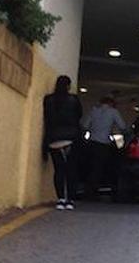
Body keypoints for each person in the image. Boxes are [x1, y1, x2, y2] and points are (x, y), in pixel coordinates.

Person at [43, 75, 83, 210]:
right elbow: (79, 116)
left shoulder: (48, 100)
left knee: (59, 170)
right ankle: (70, 200)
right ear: (68, 86)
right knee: (71, 170)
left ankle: (60, 199)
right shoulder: (73, 100)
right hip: (71, 138)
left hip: (54, 139)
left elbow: (47, 120)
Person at [81, 96, 128, 199]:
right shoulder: (113, 112)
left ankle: (88, 189)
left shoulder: (93, 111)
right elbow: (123, 126)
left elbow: (84, 126)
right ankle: (96, 190)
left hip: (92, 142)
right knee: (101, 167)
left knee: (91, 167)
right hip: (104, 143)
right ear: (111, 104)